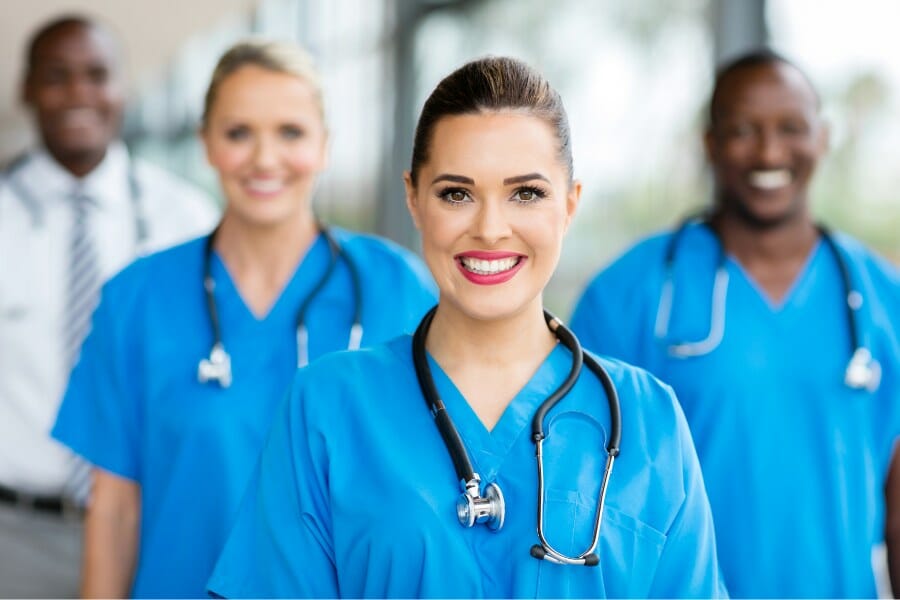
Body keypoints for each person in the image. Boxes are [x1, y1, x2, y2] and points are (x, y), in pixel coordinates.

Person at [206, 55, 725, 599]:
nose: (490, 228)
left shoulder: (648, 418)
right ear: (413, 198)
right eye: (456, 193)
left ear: (569, 205)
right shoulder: (326, 406)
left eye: (526, 193)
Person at [50, 39, 438, 598]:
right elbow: (113, 510)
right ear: (206, 142)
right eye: (238, 133)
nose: (264, 158)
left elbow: (434, 489)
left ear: (324, 145)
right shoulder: (138, 298)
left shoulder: (396, 289)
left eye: (291, 132)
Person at [570, 49, 900, 598]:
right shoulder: (628, 295)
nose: (769, 150)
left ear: (823, 136)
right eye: (743, 129)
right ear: (710, 143)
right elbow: (578, 500)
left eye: (791, 127)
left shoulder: (884, 297)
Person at [0, 15, 217, 598]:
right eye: (57, 76)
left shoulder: (188, 221)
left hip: (156, 529)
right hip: (16, 539)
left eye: (97, 75)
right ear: (26, 90)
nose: (78, 93)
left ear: (125, 87)